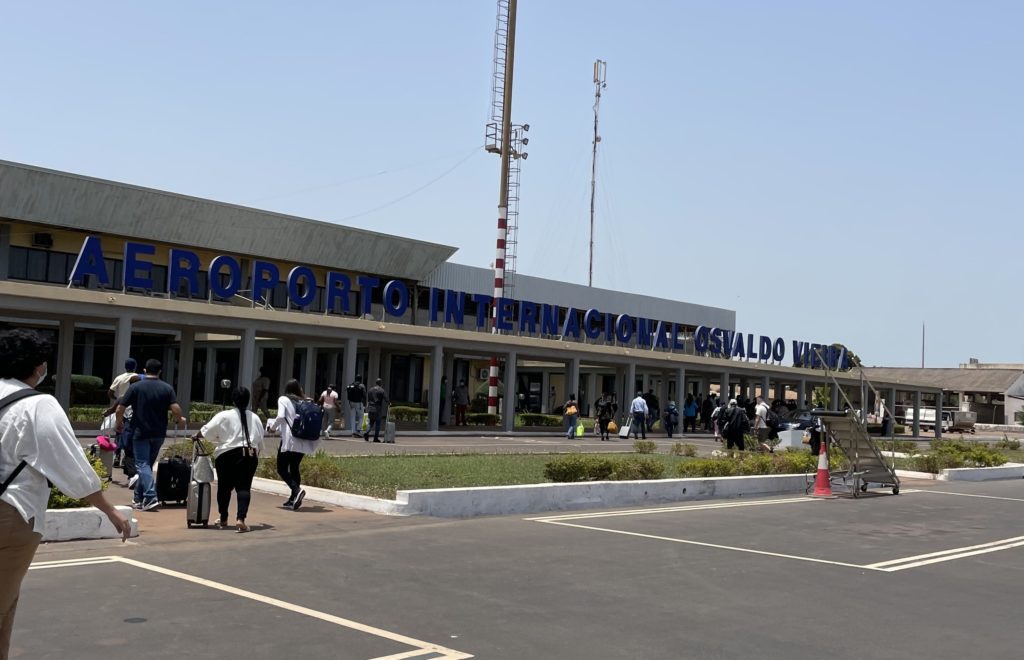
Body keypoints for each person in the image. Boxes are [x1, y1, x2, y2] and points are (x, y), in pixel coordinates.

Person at [1, 329, 131, 657]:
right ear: (37, 367)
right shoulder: (38, 404)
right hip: (11, 513)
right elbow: (68, 463)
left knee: (6, 603)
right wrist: (109, 509)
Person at [116, 359, 186, 511]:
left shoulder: (136, 387)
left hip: (140, 432)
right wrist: (179, 419)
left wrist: (118, 423)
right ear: (160, 371)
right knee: (146, 466)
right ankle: (137, 498)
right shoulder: (167, 388)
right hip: (159, 433)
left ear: (144, 370)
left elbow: (120, 408)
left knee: (142, 465)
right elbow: (175, 408)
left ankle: (150, 496)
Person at [195, 386, 264, 532]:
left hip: (226, 456)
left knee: (224, 488)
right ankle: (241, 519)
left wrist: (196, 436)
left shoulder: (224, 415)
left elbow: (206, 431)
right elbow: (259, 441)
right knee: (244, 488)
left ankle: (224, 518)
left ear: (233, 400)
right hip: (248, 456)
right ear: (248, 400)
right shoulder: (255, 418)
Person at [267, 379, 320, 510]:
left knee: (281, 468)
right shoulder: (304, 400)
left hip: (290, 440)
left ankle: (296, 491)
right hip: (303, 438)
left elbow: (280, 417)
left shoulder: (283, 399)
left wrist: (272, 428)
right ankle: (293, 498)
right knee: (294, 467)